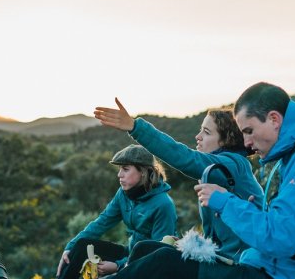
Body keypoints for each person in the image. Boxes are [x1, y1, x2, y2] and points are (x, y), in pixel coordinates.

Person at [0, 82, 295, 279]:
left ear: (275, 119)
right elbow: (283, 233)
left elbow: (281, 237)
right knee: (157, 271)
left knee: (164, 265)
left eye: (249, 131)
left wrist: (224, 202)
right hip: (273, 276)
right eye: (242, 134)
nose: (249, 143)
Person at [94, 98, 263, 262]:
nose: (198, 136)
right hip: (225, 260)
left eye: (206, 132)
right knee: (148, 251)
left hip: (241, 265)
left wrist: (135, 127)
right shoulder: (214, 173)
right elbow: (217, 240)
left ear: (227, 139)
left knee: (151, 257)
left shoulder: (233, 165)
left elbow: (185, 158)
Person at [51, 144, 177, 279]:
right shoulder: (124, 193)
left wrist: (119, 266)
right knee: (80, 246)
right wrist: (69, 248)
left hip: (145, 265)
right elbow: (101, 222)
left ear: (143, 171)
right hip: (129, 252)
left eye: (125, 169)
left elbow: (156, 254)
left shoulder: (163, 205)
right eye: (119, 169)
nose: (119, 175)